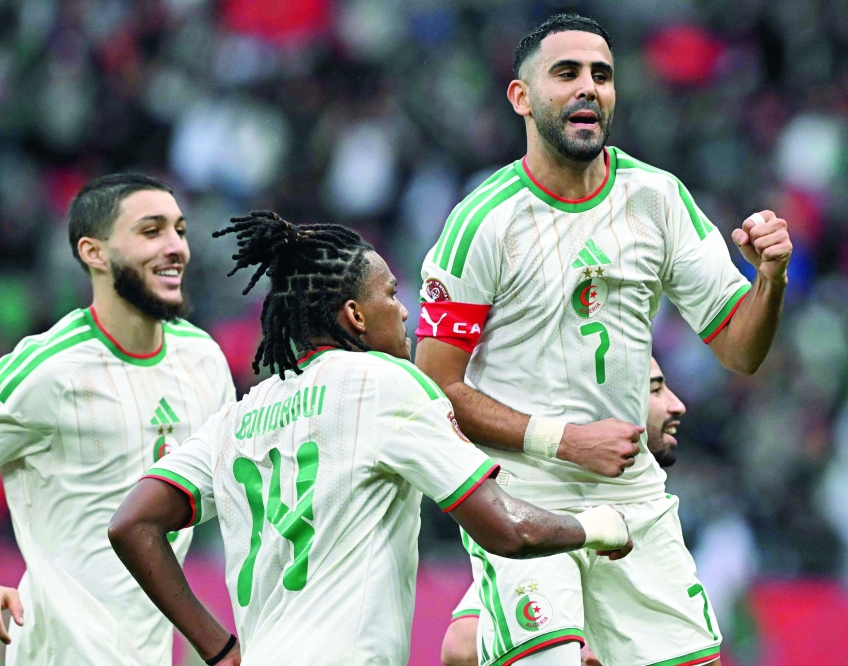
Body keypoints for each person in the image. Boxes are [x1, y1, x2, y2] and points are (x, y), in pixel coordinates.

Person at [415, 13, 792, 666]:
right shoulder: (483, 222)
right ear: (521, 97)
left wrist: (771, 279)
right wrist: (563, 440)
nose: (589, 87)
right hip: (522, 498)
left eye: (602, 75)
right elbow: (435, 389)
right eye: (567, 74)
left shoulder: (657, 199)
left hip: (635, 499)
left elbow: (740, 348)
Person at [108, 212, 634, 666]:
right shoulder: (385, 382)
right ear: (355, 315)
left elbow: (132, 523)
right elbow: (507, 529)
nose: (405, 310)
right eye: (390, 294)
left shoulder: (237, 418)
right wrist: (599, 526)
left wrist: (219, 650)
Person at [0, 173, 236, 664]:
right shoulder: (47, 369)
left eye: (180, 230)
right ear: (95, 253)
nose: (176, 248)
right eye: (151, 231)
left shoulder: (205, 361)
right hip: (54, 654)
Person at [442, 357, 688, 666]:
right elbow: (461, 647)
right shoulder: (561, 507)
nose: (677, 405)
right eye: (655, 390)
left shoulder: (654, 509)